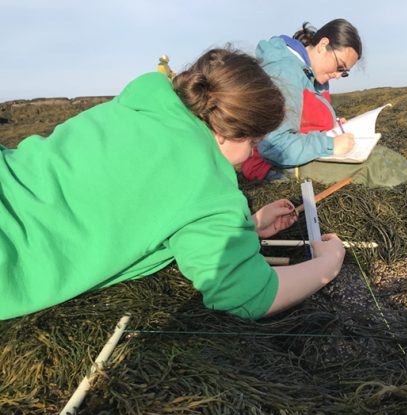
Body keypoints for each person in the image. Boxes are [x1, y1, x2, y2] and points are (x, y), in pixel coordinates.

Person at [0, 47, 346, 321]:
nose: (251, 155)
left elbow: (130, 201)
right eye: (254, 143)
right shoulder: (208, 183)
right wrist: (328, 264)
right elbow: (251, 295)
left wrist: (247, 228)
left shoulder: (141, 104)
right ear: (229, 133)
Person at [241, 19, 361, 181]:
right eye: (340, 67)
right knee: (371, 170)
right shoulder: (284, 72)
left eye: (344, 73)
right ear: (323, 44)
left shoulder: (315, 76)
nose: (338, 76)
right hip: (270, 164)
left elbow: (303, 119)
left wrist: (335, 124)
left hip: (303, 155)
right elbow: (274, 145)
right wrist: (330, 145)